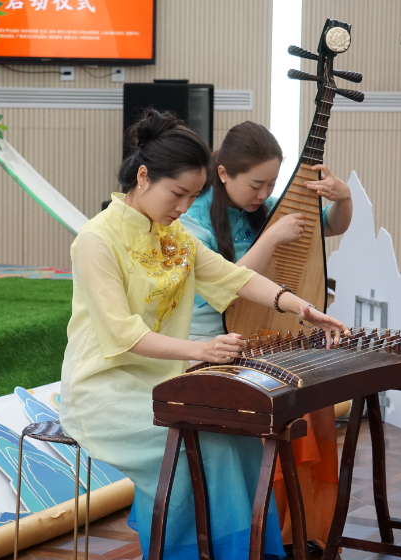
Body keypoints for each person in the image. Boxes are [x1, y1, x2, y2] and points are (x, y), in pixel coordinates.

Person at [60, 110, 351, 560]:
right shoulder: (96, 240)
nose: (182, 207)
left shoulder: (173, 236)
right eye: (177, 194)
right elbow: (124, 335)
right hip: (105, 390)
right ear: (143, 177)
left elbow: (235, 278)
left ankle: (241, 551)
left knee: (238, 432)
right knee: (200, 440)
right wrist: (203, 349)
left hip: (167, 378)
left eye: (192, 196)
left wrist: (303, 308)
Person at [179, 121, 352, 555]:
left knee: (312, 403)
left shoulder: (264, 209)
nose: (264, 193)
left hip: (262, 338)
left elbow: (329, 226)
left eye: (272, 184)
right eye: (256, 184)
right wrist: (272, 237)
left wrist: (343, 198)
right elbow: (222, 287)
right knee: (272, 418)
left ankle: (298, 531)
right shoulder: (194, 219)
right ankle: (263, 533)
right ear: (223, 174)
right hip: (211, 344)